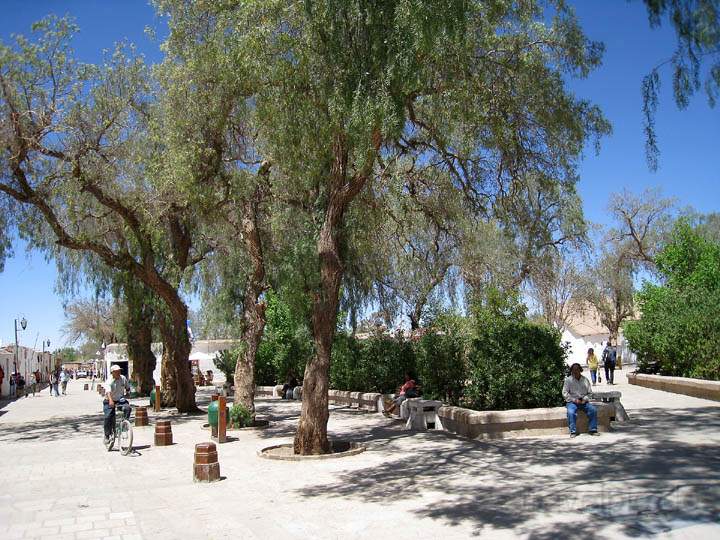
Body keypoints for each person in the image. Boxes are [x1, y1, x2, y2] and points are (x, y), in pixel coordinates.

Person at [562, 363, 598, 438]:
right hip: (572, 402)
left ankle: (593, 429)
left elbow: (590, 393)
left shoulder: (585, 380)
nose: (575, 371)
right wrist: (574, 400)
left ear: (580, 370)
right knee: (571, 412)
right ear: (571, 371)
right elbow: (565, 393)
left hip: (584, 401)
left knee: (593, 410)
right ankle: (573, 431)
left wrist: (585, 399)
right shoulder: (568, 380)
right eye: (573, 370)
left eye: (577, 369)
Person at [103, 364, 131, 446]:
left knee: (127, 408)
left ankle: (124, 425)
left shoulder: (123, 378)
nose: (118, 373)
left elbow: (127, 388)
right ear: (112, 373)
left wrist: (128, 393)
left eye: (119, 371)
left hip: (120, 400)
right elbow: (108, 392)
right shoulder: (109, 381)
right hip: (109, 400)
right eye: (116, 371)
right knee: (108, 416)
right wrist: (111, 401)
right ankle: (107, 435)